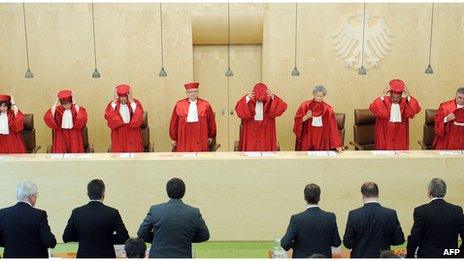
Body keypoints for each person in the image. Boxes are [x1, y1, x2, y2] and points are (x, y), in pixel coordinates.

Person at [137, 178, 210, 258]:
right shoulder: (193, 212)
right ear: (184, 192)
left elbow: (142, 234)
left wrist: (159, 239)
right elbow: (204, 236)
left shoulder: (155, 210)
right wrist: (186, 238)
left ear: (167, 192)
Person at [62, 179, 129, 258]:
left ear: (88, 194)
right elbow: (124, 237)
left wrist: (84, 236)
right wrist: (106, 237)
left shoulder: (77, 212)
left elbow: (66, 237)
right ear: (103, 194)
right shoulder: (113, 213)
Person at [343, 182, 405, 258]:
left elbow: (347, 243)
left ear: (363, 195)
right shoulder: (390, 214)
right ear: (378, 194)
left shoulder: (354, 215)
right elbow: (399, 240)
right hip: (383, 257)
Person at [406, 178, 464, 258]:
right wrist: (458, 254)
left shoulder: (421, 211)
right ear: (444, 192)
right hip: (450, 256)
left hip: (427, 256)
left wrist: (409, 256)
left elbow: (414, 238)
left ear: (429, 192)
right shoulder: (457, 211)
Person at [281, 183, 341, 258]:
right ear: (319, 198)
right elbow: (337, 242)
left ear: (305, 198)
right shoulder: (330, 217)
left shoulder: (296, 219)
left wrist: (296, 245)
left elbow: (285, 244)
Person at [0, 181, 56, 257]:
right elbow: (50, 242)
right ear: (31, 197)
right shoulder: (39, 215)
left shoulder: (2, 213)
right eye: (36, 196)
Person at [369, 79, 421, 150]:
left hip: (400, 137)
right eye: (393, 97)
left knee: (399, 158)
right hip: (384, 136)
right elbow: (373, 108)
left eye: (397, 97)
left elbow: (414, 110)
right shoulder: (384, 101)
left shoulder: (404, 103)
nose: (395, 99)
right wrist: (382, 95)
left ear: (401, 96)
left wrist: (409, 96)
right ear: (390, 94)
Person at [235, 82, 287, 151]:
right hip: (251, 134)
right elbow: (239, 111)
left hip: (266, 134)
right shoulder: (248, 100)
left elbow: (282, 107)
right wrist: (247, 98)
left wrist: (273, 96)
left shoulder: (270, 101)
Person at [293, 85, 343, 152]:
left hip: (322, 139)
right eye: (317, 96)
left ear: (324, 96)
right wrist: (306, 117)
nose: (318, 98)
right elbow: (297, 121)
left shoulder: (328, 110)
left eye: (321, 96)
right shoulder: (305, 106)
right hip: (307, 137)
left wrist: (337, 145)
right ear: (313, 94)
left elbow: (333, 128)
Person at [169, 82, 217, 152]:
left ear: (197, 92)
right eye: (190, 92)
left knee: (200, 158)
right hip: (185, 136)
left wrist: (211, 135)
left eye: (195, 91)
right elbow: (173, 123)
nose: (192, 93)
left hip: (201, 135)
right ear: (187, 93)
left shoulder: (205, 105)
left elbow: (211, 122)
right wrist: (173, 138)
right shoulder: (179, 105)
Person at [104, 84, 144, 152]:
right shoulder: (113, 105)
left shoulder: (135, 103)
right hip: (118, 134)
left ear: (128, 95)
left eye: (124, 96)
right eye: (120, 97)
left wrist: (131, 101)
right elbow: (108, 117)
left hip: (132, 132)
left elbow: (139, 117)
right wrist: (114, 101)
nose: (122, 99)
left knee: (134, 157)